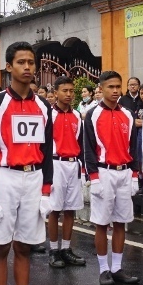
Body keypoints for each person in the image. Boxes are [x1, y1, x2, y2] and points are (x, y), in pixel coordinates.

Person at [0, 41, 54, 285]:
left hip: (33, 178)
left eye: (31, 62)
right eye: (21, 62)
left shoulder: (44, 106)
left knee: (25, 246)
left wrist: (47, 190)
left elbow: (47, 152)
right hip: (5, 178)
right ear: (9, 67)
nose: (27, 67)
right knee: (2, 247)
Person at [84, 70, 140, 285]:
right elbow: (88, 148)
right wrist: (94, 178)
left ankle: (117, 268)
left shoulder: (128, 114)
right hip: (104, 172)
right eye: (111, 87)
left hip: (124, 172)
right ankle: (103, 269)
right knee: (101, 223)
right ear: (101, 88)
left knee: (120, 222)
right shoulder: (93, 114)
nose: (115, 91)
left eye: (118, 87)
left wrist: (134, 175)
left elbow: (133, 147)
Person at [47, 76, 86, 269]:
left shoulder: (77, 115)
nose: (69, 94)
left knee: (71, 209)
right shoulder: (48, 114)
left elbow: (81, 142)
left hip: (73, 164)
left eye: (71, 91)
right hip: (56, 163)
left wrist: (83, 169)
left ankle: (66, 248)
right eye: (65, 91)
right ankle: (54, 250)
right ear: (55, 93)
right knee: (55, 209)